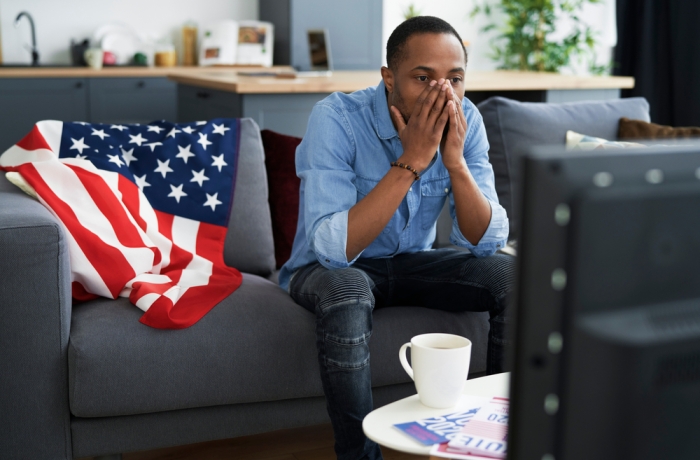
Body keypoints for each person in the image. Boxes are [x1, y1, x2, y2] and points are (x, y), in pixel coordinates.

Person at [278, 16, 515, 460]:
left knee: (514, 275)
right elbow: (333, 251)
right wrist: (412, 159)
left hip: (412, 261)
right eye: (423, 77)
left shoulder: (468, 121)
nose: (442, 93)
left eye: (455, 79)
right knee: (348, 288)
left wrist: (456, 163)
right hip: (330, 269)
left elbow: (484, 241)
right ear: (388, 78)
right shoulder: (337, 118)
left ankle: (493, 442)